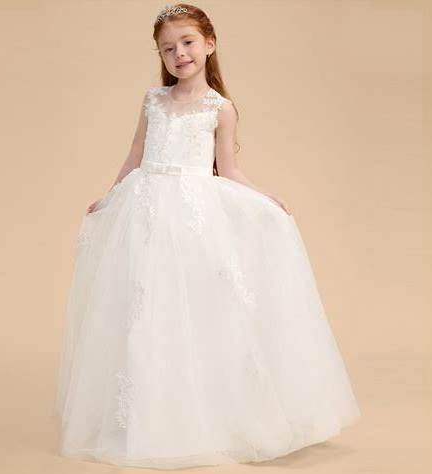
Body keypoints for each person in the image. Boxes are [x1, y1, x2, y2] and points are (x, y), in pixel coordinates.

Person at [53, 3, 361, 469]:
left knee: (195, 310)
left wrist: (264, 199)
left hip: (192, 216)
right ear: (160, 55)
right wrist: (110, 196)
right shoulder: (153, 101)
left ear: (209, 44)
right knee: (144, 308)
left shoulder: (220, 108)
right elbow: (134, 155)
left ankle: (203, 417)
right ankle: (147, 417)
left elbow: (229, 169)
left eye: (188, 43)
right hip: (145, 210)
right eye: (168, 48)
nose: (179, 54)